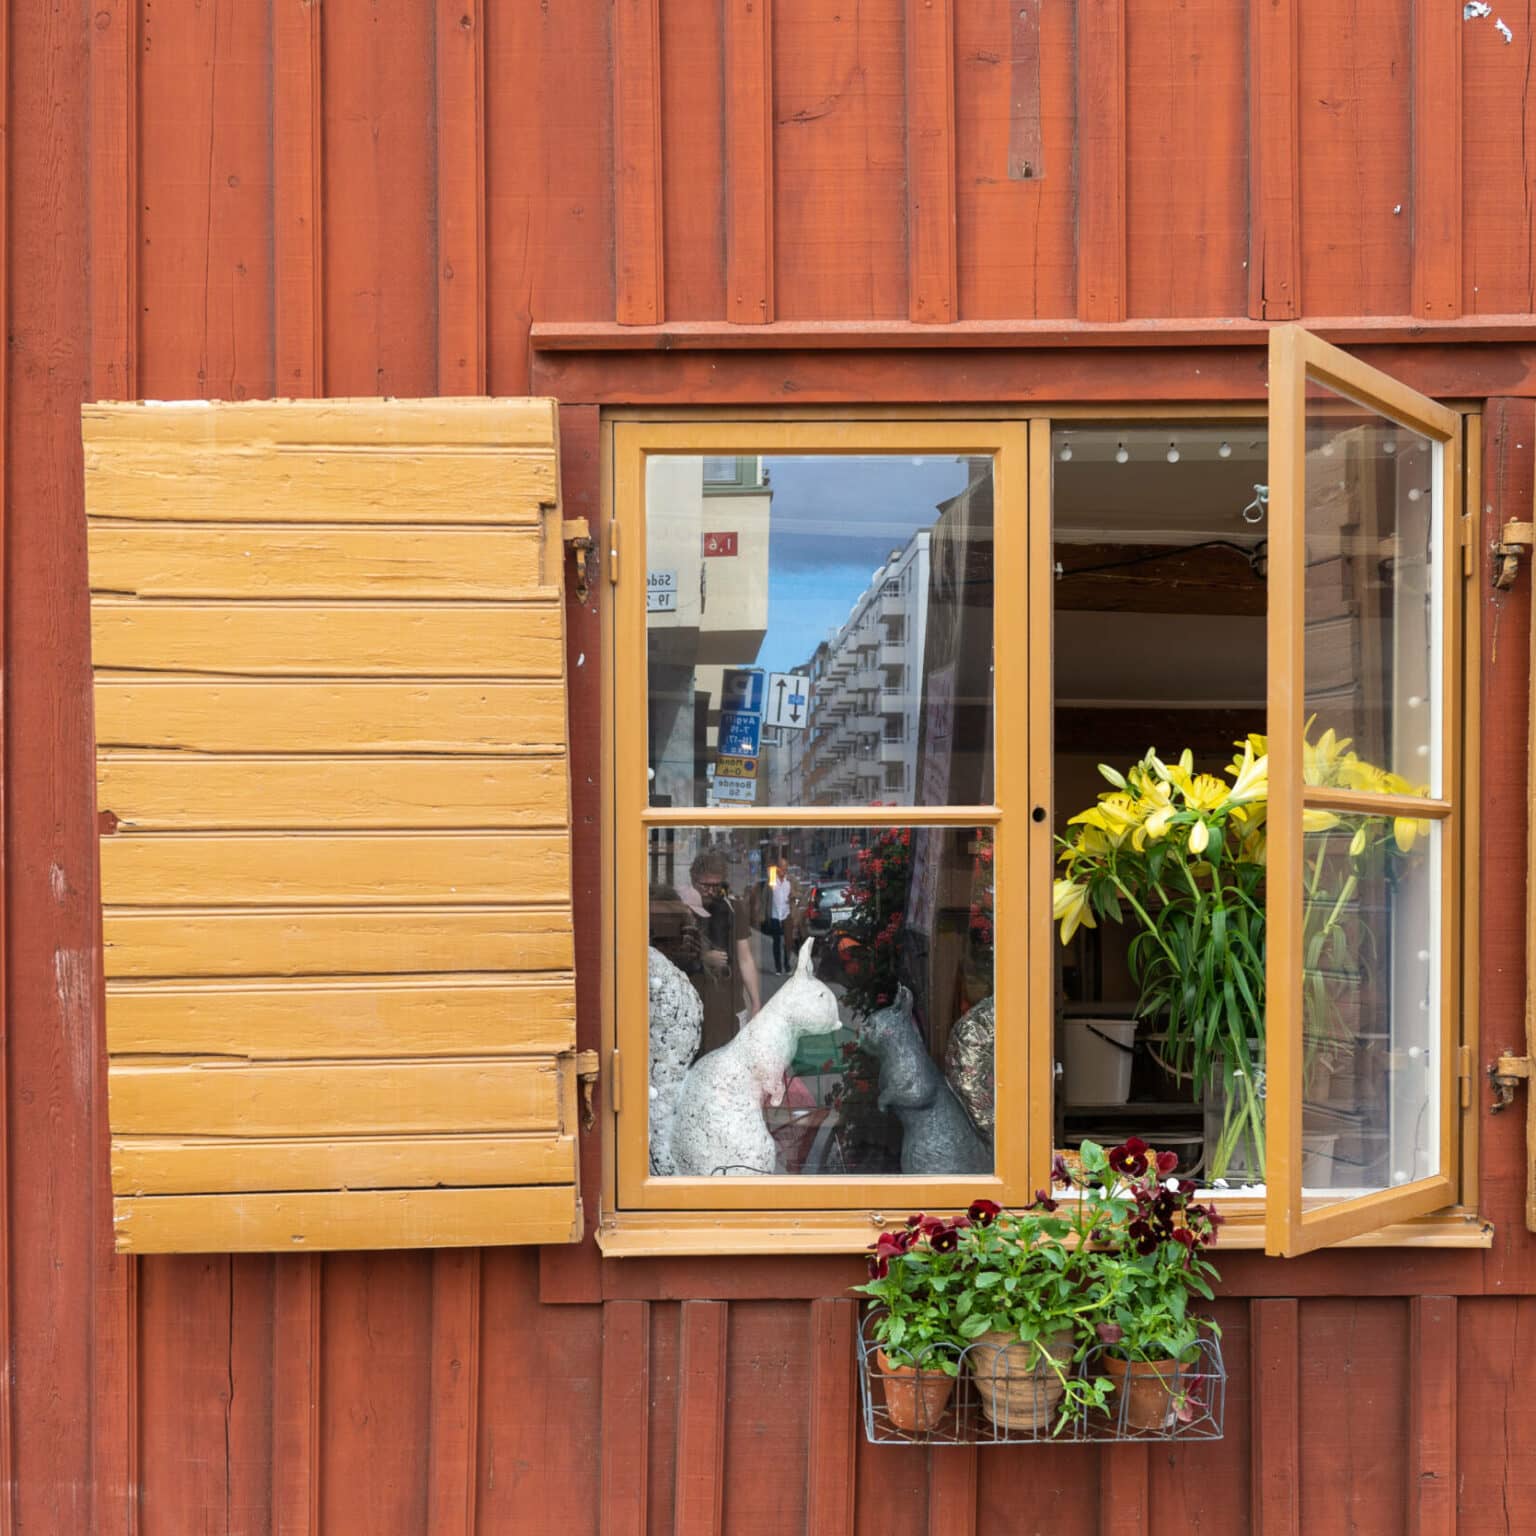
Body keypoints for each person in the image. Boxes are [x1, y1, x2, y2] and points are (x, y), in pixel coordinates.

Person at [675, 849, 761, 1055]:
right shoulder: (681, 909)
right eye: (705, 886)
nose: (710, 892)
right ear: (693, 880)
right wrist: (703, 958)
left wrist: (756, 1003)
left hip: (728, 1003)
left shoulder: (733, 908)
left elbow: (745, 958)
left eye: (716, 886)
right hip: (691, 1002)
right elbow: (669, 956)